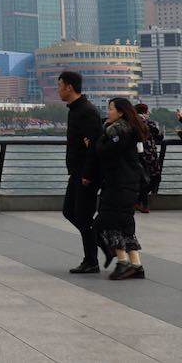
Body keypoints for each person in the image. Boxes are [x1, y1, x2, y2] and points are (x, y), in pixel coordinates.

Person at [88, 99, 148, 280]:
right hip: (124, 183)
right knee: (124, 223)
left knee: (107, 221)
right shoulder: (124, 130)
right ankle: (135, 264)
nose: (108, 111)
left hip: (120, 184)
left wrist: (98, 140)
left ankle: (122, 262)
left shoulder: (120, 133)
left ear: (121, 112)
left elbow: (102, 150)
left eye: (111, 108)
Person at [58, 71, 104, 273]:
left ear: (69, 87)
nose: (58, 89)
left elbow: (94, 146)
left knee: (83, 216)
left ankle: (92, 260)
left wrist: (88, 174)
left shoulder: (86, 111)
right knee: (70, 211)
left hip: (86, 174)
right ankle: (103, 246)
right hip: (76, 172)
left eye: (60, 85)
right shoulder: (75, 110)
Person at [133, 103, 164, 214]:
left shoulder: (132, 122)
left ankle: (140, 202)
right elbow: (159, 136)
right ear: (145, 112)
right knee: (155, 177)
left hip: (136, 155)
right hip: (149, 155)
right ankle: (141, 202)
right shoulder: (149, 123)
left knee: (142, 179)